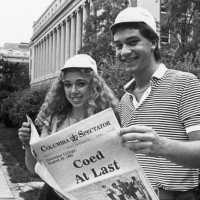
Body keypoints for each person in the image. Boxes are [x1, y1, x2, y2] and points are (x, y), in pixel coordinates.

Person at [109, 6, 200, 200]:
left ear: (153, 42)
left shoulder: (184, 83)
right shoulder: (126, 100)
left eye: (133, 42)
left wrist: (161, 146)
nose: (124, 51)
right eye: (118, 45)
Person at [18, 54, 119, 200]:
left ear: (93, 86)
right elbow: (33, 169)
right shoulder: (54, 120)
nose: (73, 91)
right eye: (68, 84)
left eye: (81, 83)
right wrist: (27, 145)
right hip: (53, 196)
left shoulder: (106, 120)